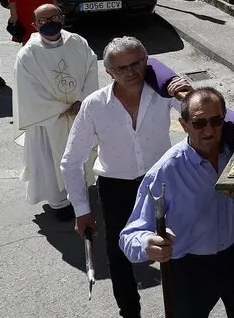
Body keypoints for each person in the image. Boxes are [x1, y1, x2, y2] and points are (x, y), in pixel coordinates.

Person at [62, 36, 194, 318]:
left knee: (176, 247)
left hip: (160, 183)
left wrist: (186, 91)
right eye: (121, 68)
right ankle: (129, 312)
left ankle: (182, 309)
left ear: (147, 63)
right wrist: (82, 211)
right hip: (115, 188)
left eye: (136, 64)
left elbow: (196, 114)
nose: (130, 72)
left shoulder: (162, 93)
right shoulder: (95, 105)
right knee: (119, 254)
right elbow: (72, 161)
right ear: (108, 72)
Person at [120, 88, 234, 316]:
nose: (209, 130)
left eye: (216, 121)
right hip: (190, 271)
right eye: (199, 123)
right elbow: (129, 236)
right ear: (184, 124)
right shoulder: (166, 171)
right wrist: (148, 244)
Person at [14, 3, 101, 221]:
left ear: (62, 18)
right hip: (49, 120)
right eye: (43, 20)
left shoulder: (78, 43)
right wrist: (61, 109)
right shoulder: (27, 54)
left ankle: (81, 191)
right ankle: (59, 201)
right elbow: (27, 90)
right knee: (50, 160)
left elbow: (92, 68)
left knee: (83, 152)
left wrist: (82, 100)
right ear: (34, 25)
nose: (49, 23)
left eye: (53, 17)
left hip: (80, 112)